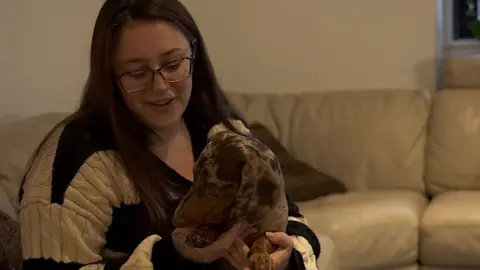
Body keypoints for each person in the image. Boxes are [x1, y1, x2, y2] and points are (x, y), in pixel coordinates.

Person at [18, 0, 320, 269]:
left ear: (194, 56)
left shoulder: (221, 128)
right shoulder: (76, 159)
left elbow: (292, 219)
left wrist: (286, 258)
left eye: (173, 64)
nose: (161, 87)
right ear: (109, 76)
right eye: (137, 73)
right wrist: (178, 257)